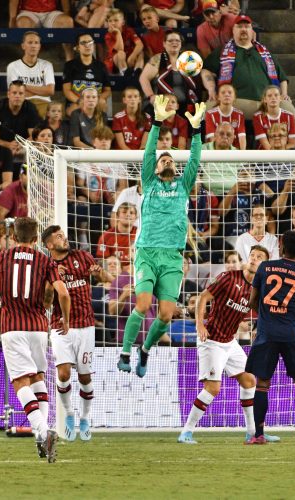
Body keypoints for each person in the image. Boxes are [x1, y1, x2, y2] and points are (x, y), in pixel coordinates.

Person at [116, 95, 206, 376]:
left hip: (173, 257)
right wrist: (156, 121)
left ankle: (145, 351)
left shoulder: (183, 185)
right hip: (147, 251)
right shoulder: (149, 182)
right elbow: (149, 150)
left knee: (166, 314)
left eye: (170, 159)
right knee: (142, 304)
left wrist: (196, 131)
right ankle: (126, 352)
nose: (166, 160)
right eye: (162, 159)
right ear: (155, 168)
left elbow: (195, 157)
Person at [0, 217, 70, 463]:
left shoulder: (0, 257)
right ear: (36, 240)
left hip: (13, 327)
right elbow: (62, 293)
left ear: (13, 236)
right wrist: (65, 320)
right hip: (38, 327)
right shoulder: (46, 260)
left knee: (20, 382)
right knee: (37, 378)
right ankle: (41, 438)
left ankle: (43, 432)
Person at [178, 245, 280, 444]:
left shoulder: (257, 289)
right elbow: (203, 297)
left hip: (229, 341)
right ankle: (186, 432)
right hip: (212, 340)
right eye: (252, 255)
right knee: (213, 388)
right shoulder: (228, 277)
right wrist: (200, 324)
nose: (254, 259)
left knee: (250, 380)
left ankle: (252, 432)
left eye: (259, 257)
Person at [245, 230, 295, 444]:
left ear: (280, 246)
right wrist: (289, 312)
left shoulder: (265, 267)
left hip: (266, 332)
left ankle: (259, 434)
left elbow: (252, 302)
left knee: (262, 384)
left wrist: (268, 311)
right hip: (290, 332)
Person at [42, 225, 112, 441]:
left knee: (84, 376)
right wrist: (52, 282)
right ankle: (69, 414)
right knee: (63, 373)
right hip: (60, 325)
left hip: (86, 326)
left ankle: (86, 417)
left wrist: (98, 272)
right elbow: (45, 301)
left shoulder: (82, 256)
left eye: (64, 235)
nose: (65, 238)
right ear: (49, 245)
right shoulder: (47, 266)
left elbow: (107, 278)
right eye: (59, 237)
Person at [201, 14, 294, 119]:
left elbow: (282, 77)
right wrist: (211, 90)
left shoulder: (265, 53)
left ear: (252, 31)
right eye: (239, 27)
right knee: (206, 110)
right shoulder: (222, 51)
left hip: (266, 102)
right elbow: (206, 71)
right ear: (233, 31)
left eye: (247, 27)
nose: (243, 29)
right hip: (234, 102)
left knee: (288, 109)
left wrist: (284, 94)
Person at [139, 30, 200, 117]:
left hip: (186, 105)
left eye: (177, 41)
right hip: (163, 105)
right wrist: (151, 96)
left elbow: (201, 75)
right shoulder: (158, 59)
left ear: (181, 44)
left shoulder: (188, 59)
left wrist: (211, 88)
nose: (174, 43)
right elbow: (143, 78)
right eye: (170, 41)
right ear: (164, 44)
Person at [6, 31, 55, 119]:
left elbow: (50, 91)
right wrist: (40, 90)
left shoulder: (47, 65)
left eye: (36, 43)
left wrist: (24, 86)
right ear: (23, 46)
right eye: (30, 42)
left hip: (43, 102)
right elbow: (15, 92)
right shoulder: (13, 66)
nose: (33, 46)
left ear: (39, 46)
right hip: (22, 103)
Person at [0, 80, 40, 161]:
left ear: (25, 95)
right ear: (8, 94)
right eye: (14, 93)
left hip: (23, 147)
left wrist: (21, 145)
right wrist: (8, 145)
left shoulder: (31, 109)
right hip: (0, 146)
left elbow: (34, 136)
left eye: (20, 93)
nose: (17, 96)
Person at [62, 32, 112, 116]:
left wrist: (96, 99)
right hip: (76, 102)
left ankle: (100, 129)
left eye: (90, 42)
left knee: (102, 103)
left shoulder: (101, 66)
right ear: (78, 47)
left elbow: (108, 91)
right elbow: (66, 90)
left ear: (94, 45)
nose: (87, 45)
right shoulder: (69, 65)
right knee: (74, 110)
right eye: (83, 43)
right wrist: (80, 101)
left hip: (95, 102)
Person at [9, 0, 74, 62]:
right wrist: (12, 19)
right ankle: (29, 62)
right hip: (28, 12)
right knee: (23, 23)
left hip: (51, 12)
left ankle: (70, 61)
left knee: (67, 22)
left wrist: (67, 13)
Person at [252, 85, 295, 150]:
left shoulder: (290, 116)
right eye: (270, 96)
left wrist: (280, 153)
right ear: (265, 99)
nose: (273, 98)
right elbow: (265, 144)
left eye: (276, 95)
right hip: (265, 154)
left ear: (280, 98)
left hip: (284, 152)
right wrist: (275, 157)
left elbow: (292, 144)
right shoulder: (257, 117)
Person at [96, 202, 138, 269]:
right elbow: (102, 262)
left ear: (136, 217)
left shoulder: (140, 235)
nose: (128, 215)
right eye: (124, 212)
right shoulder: (106, 236)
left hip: (135, 272)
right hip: (114, 273)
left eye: (131, 213)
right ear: (117, 216)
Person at [204, 83, 246, 149]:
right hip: (216, 151)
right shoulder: (210, 114)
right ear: (218, 97)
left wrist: (242, 155)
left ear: (234, 97)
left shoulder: (239, 114)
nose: (226, 94)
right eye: (223, 93)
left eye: (230, 92)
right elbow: (212, 138)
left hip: (234, 151)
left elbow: (242, 138)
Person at [201, 121, 238, 195]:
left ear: (233, 138)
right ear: (215, 135)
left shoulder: (237, 153)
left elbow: (245, 174)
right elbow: (195, 172)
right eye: (221, 133)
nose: (225, 137)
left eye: (228, 134)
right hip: (207, 194)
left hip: (232, 195)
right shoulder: (203, 149)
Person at [104, 8, 144, 76]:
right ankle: (124, 73)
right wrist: (118, 33)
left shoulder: (129, 30)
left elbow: (140, 45)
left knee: (141, 52)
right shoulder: (108, 36)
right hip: (115, 62)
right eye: (110, 21)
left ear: (123, 22)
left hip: (129, 58)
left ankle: (137, 71)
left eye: (116, 20)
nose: (113, 23)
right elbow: (120, 49)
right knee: (121, 53)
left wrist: (133, 56)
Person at [0, 165, 28, 236]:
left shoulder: (47, 189)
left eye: (35, 173)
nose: (32, 177)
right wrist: (4, 238)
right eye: (28, 174)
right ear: (21, 177)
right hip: (15, 235)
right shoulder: (10, 190)